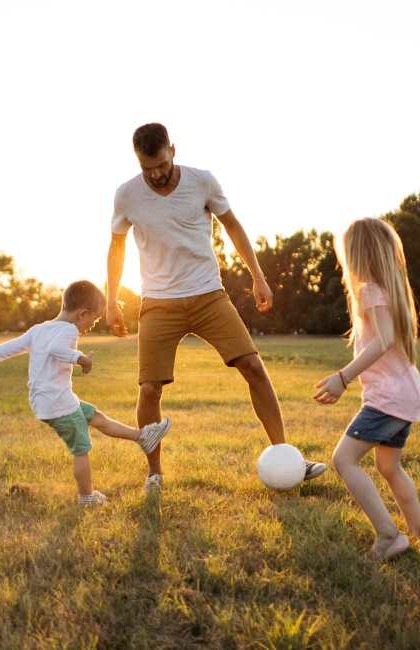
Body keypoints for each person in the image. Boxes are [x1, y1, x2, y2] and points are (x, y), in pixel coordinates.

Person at [106, 122, 327, 493]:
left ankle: (286, 455)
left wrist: (258, 275)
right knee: (148, 390)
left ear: (173, 150)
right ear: (138, 163)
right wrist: (110, 300)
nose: (157, 175)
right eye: (149, 169)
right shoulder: (127, 195)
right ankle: (154, 473)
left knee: (253, 366)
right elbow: (116, 247)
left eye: (161, 165)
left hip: (209, 293)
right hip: (159, 302)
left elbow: (233, 226)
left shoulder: (202, 181)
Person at [0, 280, 171, 506]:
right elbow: (57, 350)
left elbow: (7, 348)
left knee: (96, 417)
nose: (93, 324)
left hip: (48, 401)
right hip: (58, 403)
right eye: (95, 318)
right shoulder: (69, 330)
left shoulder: (38, 330)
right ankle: (87, 497)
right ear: (82, 314)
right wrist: (80, 358)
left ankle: (143, 437)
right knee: (81, 448)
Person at [312, 218, 420, 560]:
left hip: (388, 400)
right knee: (389, 467)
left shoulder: (370, 291)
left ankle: (389, 536)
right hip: (405, 396)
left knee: (343, 460)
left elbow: (382, 341)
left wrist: (343, 378)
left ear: (356, 255)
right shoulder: (389, 290)